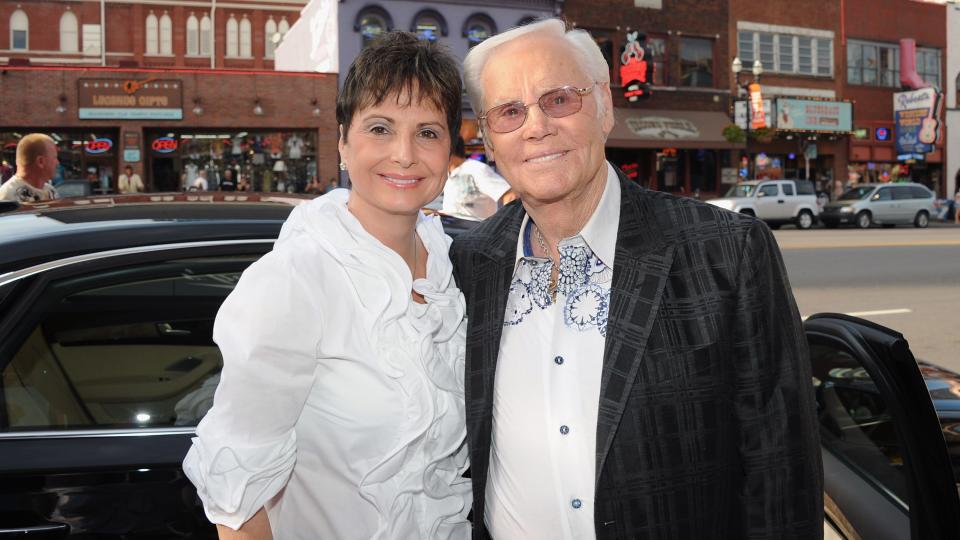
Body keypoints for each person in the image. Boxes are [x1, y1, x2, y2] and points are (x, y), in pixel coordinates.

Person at [451, 19, 822, 539]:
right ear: (489, 138)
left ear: (604, 105)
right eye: (510, 111)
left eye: (559, 99)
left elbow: (779, 471)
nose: (536, 126)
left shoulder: (725, 252)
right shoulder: (468, 264)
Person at [183, 31, 471, 539]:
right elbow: (238, 509)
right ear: (342, 142)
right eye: (380, 128)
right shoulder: (295, 282)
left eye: (427, 132)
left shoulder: (457, 267)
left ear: (450, 148)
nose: (404, 154)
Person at [440, 137, 513, 221]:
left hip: (475, 230)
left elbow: (510, 195)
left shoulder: (476, 169)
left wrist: (502, 226)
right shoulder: (448, 175)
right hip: (454, 229)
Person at [0, 133, 60, 203]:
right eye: (55, 157)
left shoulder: (51, 191)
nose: (57, 163)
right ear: (40, 161)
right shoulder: (8, 197)